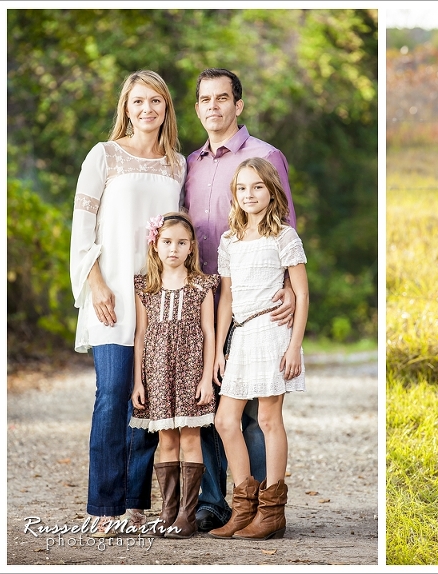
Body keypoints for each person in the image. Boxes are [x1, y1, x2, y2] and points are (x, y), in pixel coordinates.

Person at [69, 70, 185, 536]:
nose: (147, 110)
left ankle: (136, 503)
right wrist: (94, 281)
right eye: (138, 101)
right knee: (113, 397)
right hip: (112, 296)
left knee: (149, 404)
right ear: (126, 106)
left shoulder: (178, 164)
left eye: (155, 101)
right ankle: (104, 507)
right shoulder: (104, 157)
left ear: (166, 108)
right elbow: (82, 227)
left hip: (159, 302)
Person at [182, 67, 298, 532]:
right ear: (197, 108)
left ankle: (267, 510)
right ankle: (219, 503)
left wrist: (289, 287)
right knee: (209, 402)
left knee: (255, 411)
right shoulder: (189, 162)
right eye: (205, 99)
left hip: (257, 300)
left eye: (222, 98)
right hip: (205, 295)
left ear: (238, 105)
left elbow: (285, 226)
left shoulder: (264, 156)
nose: (214, 107)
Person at [208, 157, 308, 540]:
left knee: (268, 419)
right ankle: (242, 505)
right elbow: (227, 298)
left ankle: (271, 511)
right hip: (242, 334)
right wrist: (219, 349)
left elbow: (301, 293)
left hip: (272, 331)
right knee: (224, 421)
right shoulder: (230, 240)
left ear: (271, 191)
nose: (249, 195)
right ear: (234, 194)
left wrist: (295, 345)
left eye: (257, 187)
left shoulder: (283, 236)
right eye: (242, 188)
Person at [130, 212, 219, 539]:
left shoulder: (202, 284)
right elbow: (141, 334)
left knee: (190, 437)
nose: (174, 249)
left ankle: (187, 514)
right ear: (156, 245)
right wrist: (138, 381)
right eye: (167, 242)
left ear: (191, 247)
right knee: (166, 439)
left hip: (191, 371)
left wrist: (207, 378)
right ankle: (168, 511)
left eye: (181, 243)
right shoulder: (145, 286)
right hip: (157, 372)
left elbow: (209, 333)